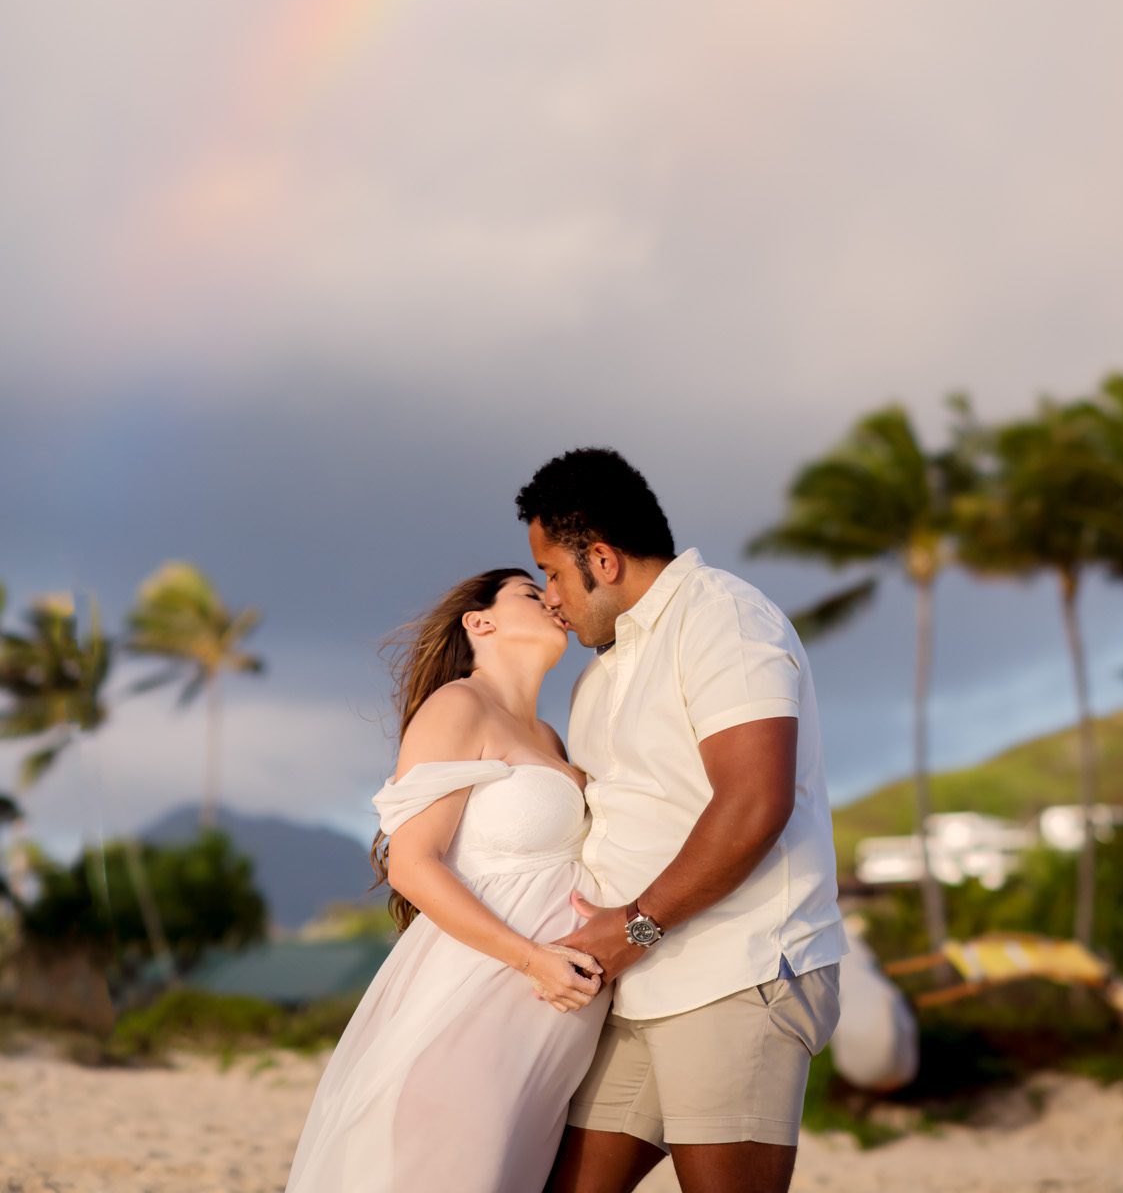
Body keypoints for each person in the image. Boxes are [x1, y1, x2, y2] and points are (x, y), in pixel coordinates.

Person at [519, 447, 847, 1193]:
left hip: (737, 968)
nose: (549, 597)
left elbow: (754, 801)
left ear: (600, 559)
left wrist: (631, 928)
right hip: (640, 984)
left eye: (552, 572)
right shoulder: (600, 674)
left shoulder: (720, 617)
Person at [284, 568, 610, 1193]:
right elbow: (412, 865)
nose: (551, 600)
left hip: (543, 1018)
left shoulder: (549, 737)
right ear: (479, 622)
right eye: (529, 593)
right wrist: (533, 959)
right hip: (480, 995)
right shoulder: (459, 705)